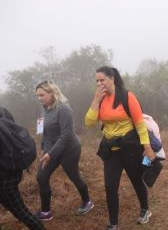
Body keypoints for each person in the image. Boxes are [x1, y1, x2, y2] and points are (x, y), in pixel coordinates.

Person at [84, 66, 156, 230]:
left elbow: (139, 124)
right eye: (97, 81)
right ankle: (113, 223)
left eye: (102, 80)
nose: (99, 84)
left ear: (112, 79)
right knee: (110, 187)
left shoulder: (127, 96)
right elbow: (88, 123)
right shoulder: (100, 99)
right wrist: (95, 100)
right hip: (110, 149)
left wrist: (147, 147)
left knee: (136, 180)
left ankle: (145, 210)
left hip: (129, 148)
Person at [35, 81, 94, 221]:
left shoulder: (63, 109)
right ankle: (45, 212)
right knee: (41, 177)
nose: (39, 98)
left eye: (42, 95)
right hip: (51, 150)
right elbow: (43, 130)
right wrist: (43, 148)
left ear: (52, 93)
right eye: (37, 96)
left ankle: (87, 202)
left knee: (74, 176)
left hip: (69, 150)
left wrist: (51, 154)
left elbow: (66, 135)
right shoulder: (43, 108)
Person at [0, 107, 45, 230]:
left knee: (21, 212)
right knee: (20, 211)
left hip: (4, 177)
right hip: (13, 172)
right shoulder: (3, 112)